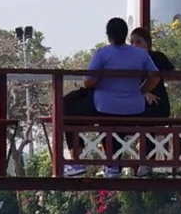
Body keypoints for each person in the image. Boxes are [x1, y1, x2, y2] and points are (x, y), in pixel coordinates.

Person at [61, 18, 158, 176]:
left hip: (104, 106)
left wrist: (100, 84)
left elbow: (88, 81)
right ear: (126, 34)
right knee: (113, 122)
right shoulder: (141, 54)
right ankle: (112, 166)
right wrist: (140, 91)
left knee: (68, 108)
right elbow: (155, 77)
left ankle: (77, 161)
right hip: (135, 108)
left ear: (108, 35)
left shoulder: (103, 53)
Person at [129, 26, 173, 118]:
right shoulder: (128, 61)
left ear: (148, 43)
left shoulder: (158, 57)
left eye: (138, 42)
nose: (134, 45)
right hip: (137, 101)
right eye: (132, 42)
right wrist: (144, 93)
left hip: (159, 101)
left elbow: (172, 73)